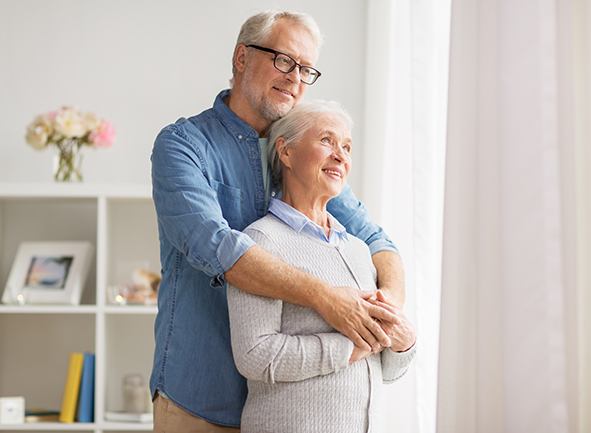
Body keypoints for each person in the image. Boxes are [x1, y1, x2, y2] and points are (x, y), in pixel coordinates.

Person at [149, 10, 406, 432]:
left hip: (283, 406)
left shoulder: (303, 155)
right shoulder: (183, 146)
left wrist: (387, 310)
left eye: (306, 69)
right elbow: (221, 250)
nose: (295, 78)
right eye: (284, 60)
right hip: (198, 394)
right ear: (241, 58)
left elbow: (377, 242)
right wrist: (327, 298)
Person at [227, 100, 417, 433]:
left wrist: (404, 344)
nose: (341, 155)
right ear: (285, 152)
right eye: (327, 140)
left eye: (346, 147)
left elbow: (383, 369)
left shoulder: (359, 250)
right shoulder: (261, 241)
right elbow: (255, 355)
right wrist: (347, 348)